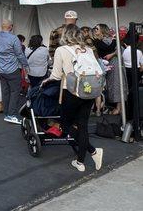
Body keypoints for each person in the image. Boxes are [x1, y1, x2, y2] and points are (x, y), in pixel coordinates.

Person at [43, 24, 103, 172]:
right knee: (82, 125)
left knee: (65, 124)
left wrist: (46, 81)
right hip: (88, 91)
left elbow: (56, 75)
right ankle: (82, 159)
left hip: (71, 91)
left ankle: (92, 151)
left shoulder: (61, 50)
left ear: (65, 35)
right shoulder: (87, 49)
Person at [0, 20, 29, 124]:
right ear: (10, 27)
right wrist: (25, 65)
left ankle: (7, 113)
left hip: (0, 69)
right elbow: (19, 54)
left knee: (5, 91)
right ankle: (11, 115)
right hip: (12, 69)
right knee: (15, 91)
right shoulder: (13, 38)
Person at [93, 24, 126, 115]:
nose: (95, 30)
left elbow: (120, 50)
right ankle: (108, 107)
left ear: (102, 30)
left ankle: (119, 108)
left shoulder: (111, 40)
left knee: (117, 85)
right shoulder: (98, 41)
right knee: (109, 87)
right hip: (104, 65)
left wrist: (112, 55)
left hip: (114, 64)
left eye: (97, 28)